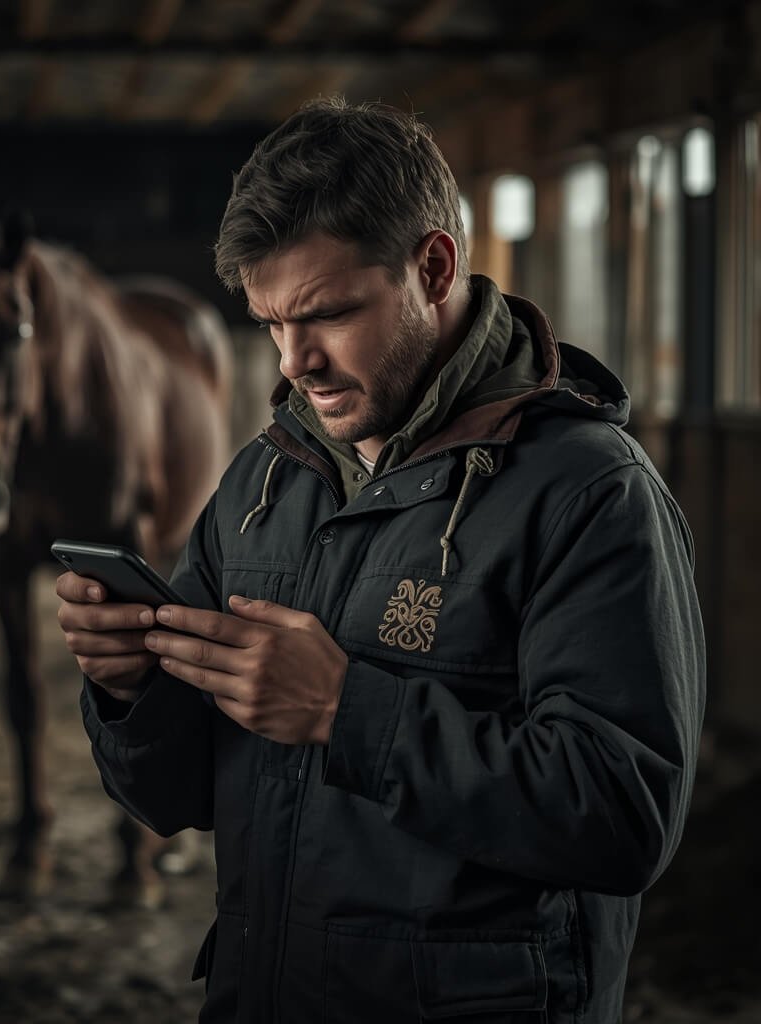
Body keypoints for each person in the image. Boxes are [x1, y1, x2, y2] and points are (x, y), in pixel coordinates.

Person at [55, 97, 705, 1023]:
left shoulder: (588, 493)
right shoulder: (262, 485)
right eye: (271, 323)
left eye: (325, 314)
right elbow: (182, 793)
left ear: (432, 267)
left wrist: (343, 711)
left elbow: (623, 815)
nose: (296, 363)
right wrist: (129, 692)